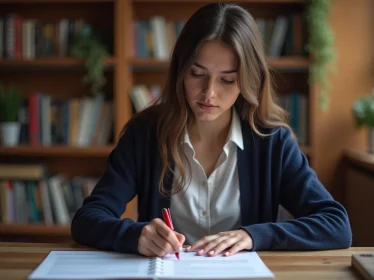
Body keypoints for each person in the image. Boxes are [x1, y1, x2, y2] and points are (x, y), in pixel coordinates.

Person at [71, 2, 352, 258]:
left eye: (227, 80)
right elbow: (88, 218)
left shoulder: (272, 142)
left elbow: (336, 225)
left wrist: (252, 236)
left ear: (247, 81)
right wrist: (135, 236)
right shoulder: (145, 134)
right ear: (181, 70)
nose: (209, 93)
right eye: (198, 74)